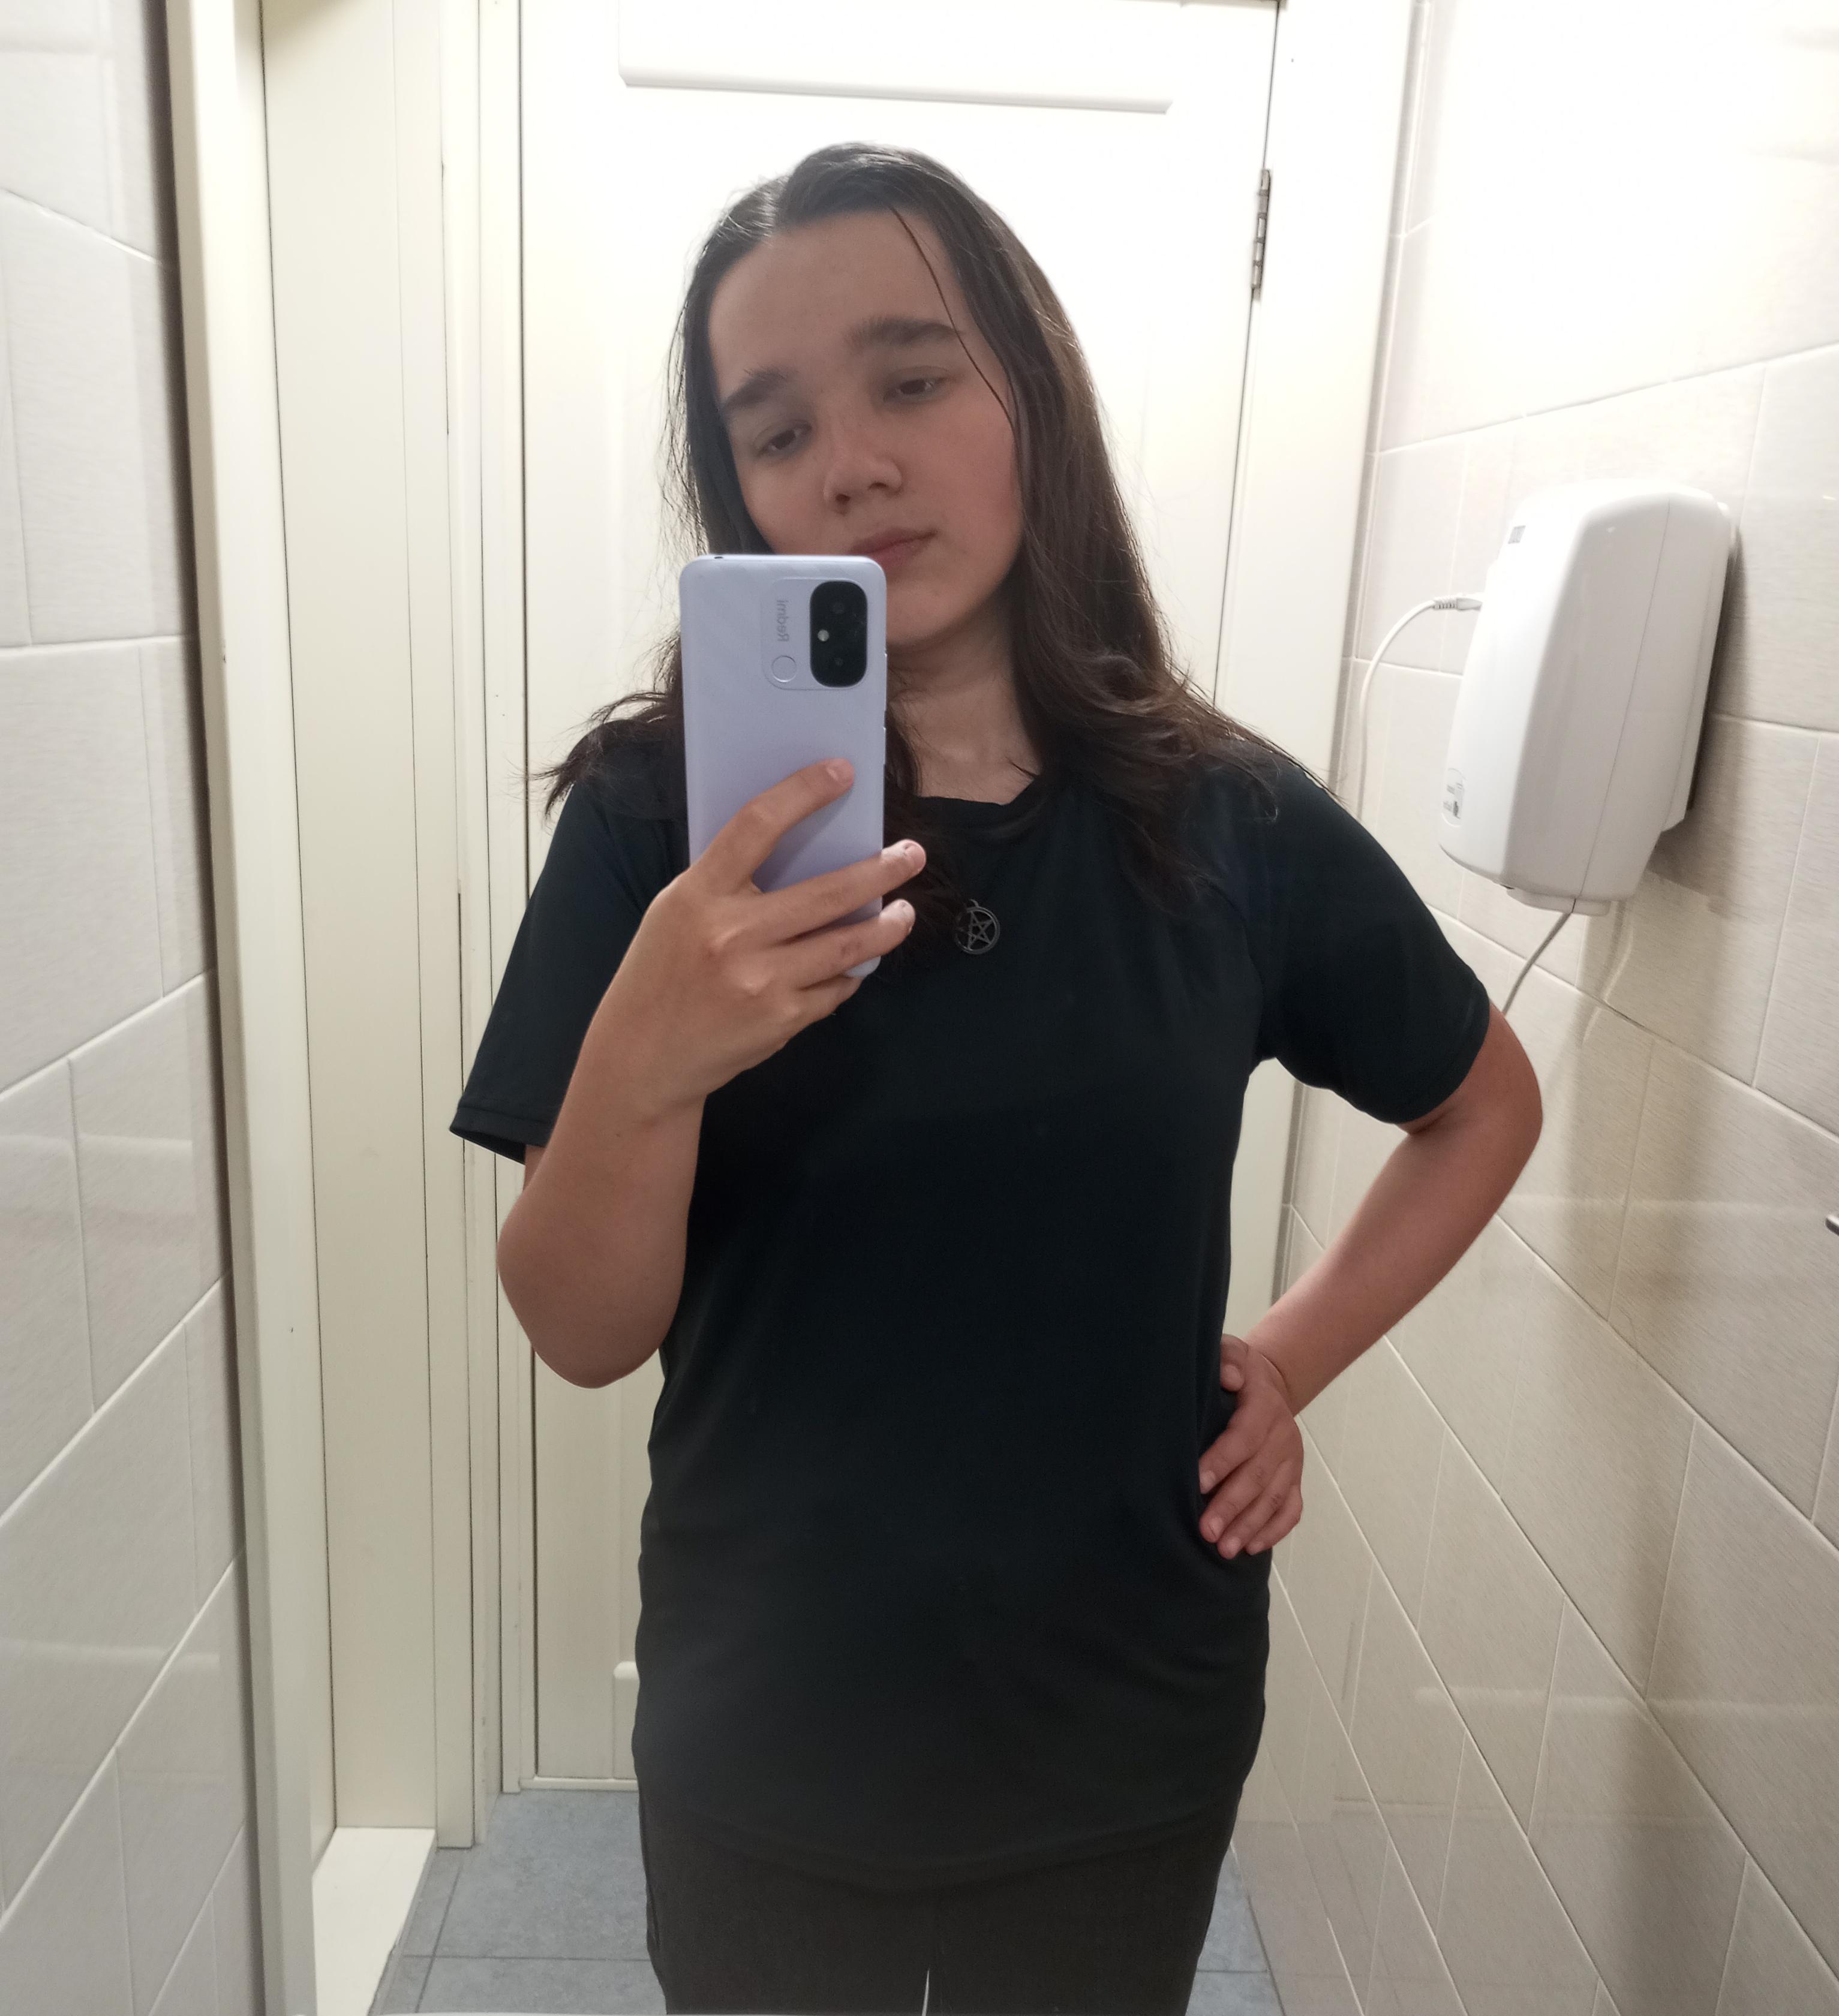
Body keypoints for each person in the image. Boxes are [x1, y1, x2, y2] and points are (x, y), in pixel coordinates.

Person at [450, 142, 1542, 2016]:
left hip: (1120, 1726)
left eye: (911, 377)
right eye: (776, 428)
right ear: (739, 488)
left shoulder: (1225, 822)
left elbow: (1480, 1103)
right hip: (767, 1729)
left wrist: (1287, 1358)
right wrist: (647, 1048)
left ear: (1031, 393)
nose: (850, 462)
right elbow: (578, 1327)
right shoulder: (658, 824)